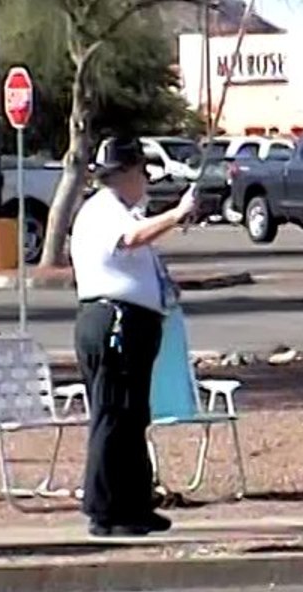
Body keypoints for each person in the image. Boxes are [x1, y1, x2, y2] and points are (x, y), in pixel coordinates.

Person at [70, 136, 197, 536]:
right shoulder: (104, 210)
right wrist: (176, 214)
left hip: (133, 322)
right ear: (125, 174)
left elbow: (139, 247)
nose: (145, 180)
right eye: (142, 172)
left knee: (132, 414)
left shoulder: (124, 211)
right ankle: (104, 509)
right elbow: (130, 239)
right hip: (113, 322)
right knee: (113, 412)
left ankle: (133, 503)